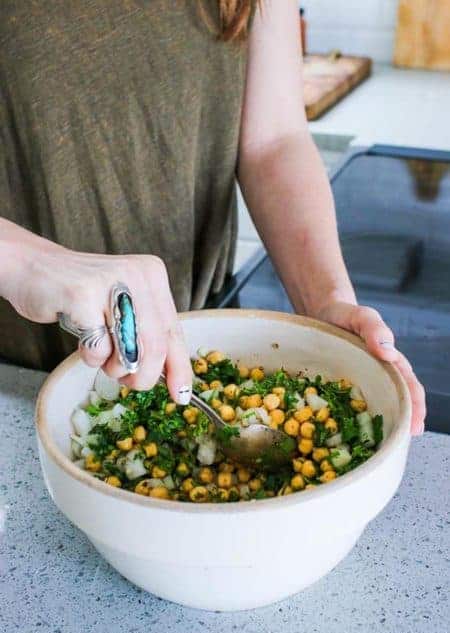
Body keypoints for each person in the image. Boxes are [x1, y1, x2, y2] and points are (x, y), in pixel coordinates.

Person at [0, 0, 425, 432]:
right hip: (15, 378)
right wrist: (25, 260)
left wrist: (326, 302)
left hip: (197, 354)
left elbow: (274, 141)